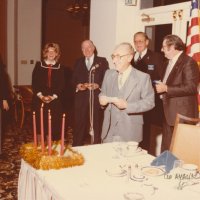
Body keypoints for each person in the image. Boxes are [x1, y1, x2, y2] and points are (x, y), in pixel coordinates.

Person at [99, 42, 155, 143]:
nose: (114, 60)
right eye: (113, 56)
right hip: (108, 132)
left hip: (130, 132)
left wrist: (128, 106)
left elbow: (150, 102)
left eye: (118, 56)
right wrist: (101, 100)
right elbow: (102, 93)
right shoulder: (108, 74)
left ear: (129, 58)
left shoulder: (143, 78)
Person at [155, 34, 200, 152]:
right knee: (167, 149)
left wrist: (166, 88)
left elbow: (191, 87)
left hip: (182, 115)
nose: (161, 49)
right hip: (168, 113)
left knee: (181, 152)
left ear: (173, 47)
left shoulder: (189, 62)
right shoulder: (167, 63)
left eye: (163, 47)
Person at [132, 31, 164, 152]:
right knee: (135, 130)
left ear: (146, 42)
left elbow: (161, 78)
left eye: (141, 41)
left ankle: (144, 155)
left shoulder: (156, 57)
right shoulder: (131, 57)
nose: (138, 43)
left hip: (149, 101)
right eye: (136, 41)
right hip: (133, 101)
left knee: (146, 131)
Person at [72, 40, 109, 146]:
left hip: (96, 99)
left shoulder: (102, 61)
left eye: (89, 47)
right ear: (81, 50)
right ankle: (76, 148)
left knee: (96, 125)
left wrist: (98, 85)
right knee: (79, 125)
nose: (86, 50)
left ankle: (96, 148)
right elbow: (73, 79)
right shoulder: (78, 62)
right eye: (84, 48)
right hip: (81, 99)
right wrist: (78, 85)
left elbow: (107, 79)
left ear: (93, 48)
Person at [32, 43, 65, 141]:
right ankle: (39, 148)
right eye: (48, 51)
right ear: (45, 53)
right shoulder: (39, 65)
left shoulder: (60, 67)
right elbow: (34, 83)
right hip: (39, 99)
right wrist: (41, 96)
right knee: (40, 124)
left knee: (52, 125)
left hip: (54, 100)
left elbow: (62, 85)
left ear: (57, 54)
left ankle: (50, 149)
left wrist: (53, 97)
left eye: (53, 51)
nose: (51, 53)